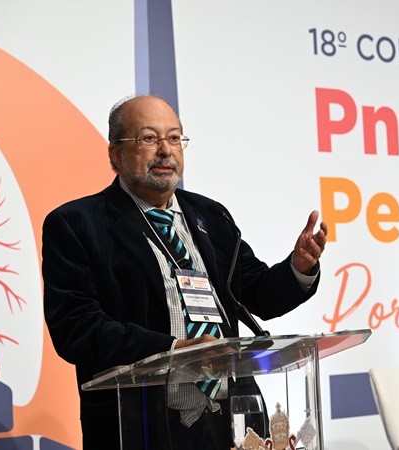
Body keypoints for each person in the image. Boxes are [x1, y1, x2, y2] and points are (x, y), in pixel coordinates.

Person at [42, 94, 327, 450]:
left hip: (232, 420)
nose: (165, 150)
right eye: (149, 138)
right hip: (142, 424)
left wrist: (298, 268)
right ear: (116, 154)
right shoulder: (77, 224)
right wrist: (175, 350)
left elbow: (256, 292)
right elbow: (76, 327)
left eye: (174, 138)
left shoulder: (211, 216)